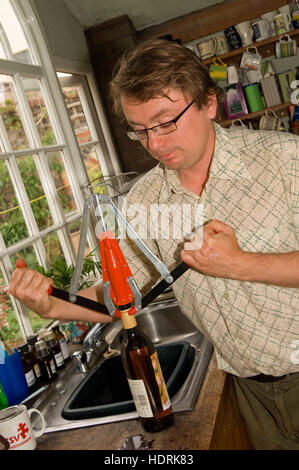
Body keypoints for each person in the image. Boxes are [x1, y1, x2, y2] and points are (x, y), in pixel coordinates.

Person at [9, 39, 299, 450]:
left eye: (166, 123)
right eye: (141, 130)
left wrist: (239, 264)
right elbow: (124, 295)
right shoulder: (145, 202)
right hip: (252, 391)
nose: (156, 145)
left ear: (209, 103)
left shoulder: (286, 160)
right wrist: (52, 304)